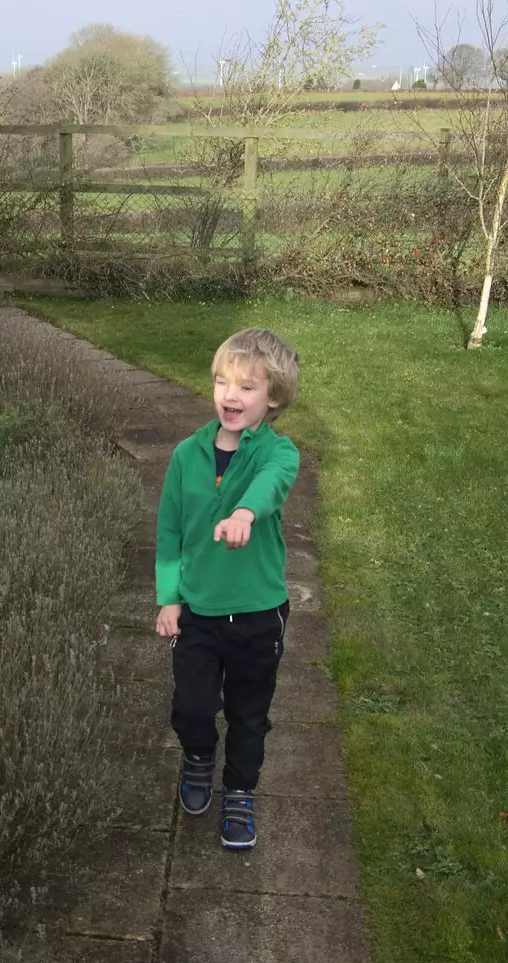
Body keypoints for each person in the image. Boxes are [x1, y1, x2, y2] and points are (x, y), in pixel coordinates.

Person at [155, 328, 301, 851]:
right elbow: (169, 530)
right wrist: (169, 597)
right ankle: (198, 757)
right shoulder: (185, 455)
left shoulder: (279, 455)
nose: (230, 396)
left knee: (248, 713)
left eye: (246, 386)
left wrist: (244, 512)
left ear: (274, 397)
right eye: (222, 382)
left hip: (259, 614)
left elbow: (270, 487)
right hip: (198, 611)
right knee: (193, 707)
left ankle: (239, 789)